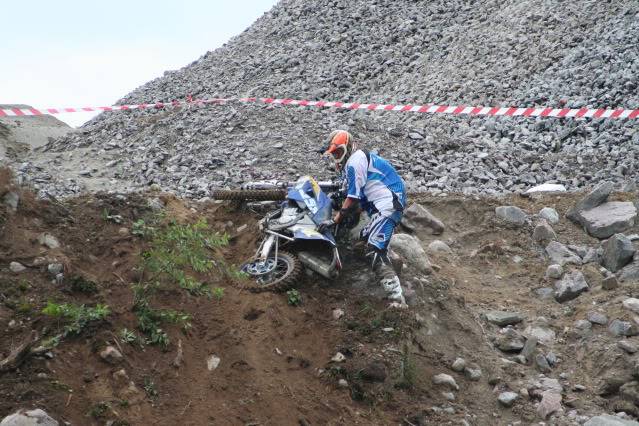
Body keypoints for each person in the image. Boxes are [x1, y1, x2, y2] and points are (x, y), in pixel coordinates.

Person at [319, 130, 407, 305]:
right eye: (334, 154)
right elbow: (354, 198)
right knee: (360, 243)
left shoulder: (355, 161)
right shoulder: (355, 161)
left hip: (388, 204)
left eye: (338, 152)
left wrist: (335, 219)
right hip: (384, 205)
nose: (337, 157)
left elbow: (353, 197)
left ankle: (398, 301)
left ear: (349, 147)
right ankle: (393, 262)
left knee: (374, 251)